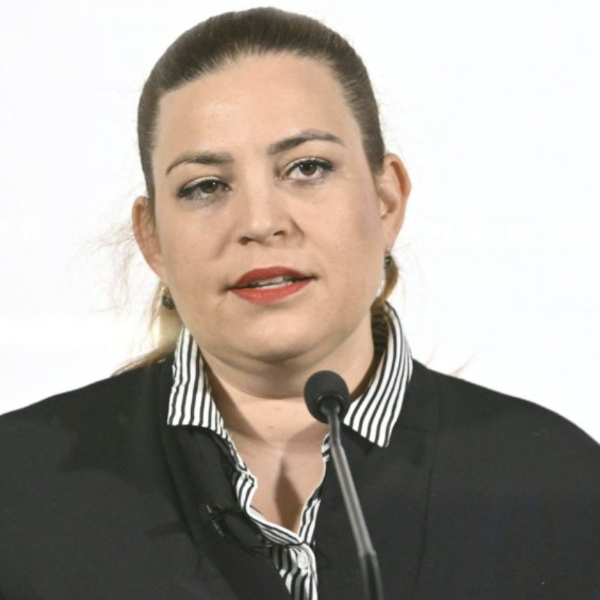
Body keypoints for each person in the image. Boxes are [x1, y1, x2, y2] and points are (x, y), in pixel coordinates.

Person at [0, 7, 599, 600]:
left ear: (386, 201)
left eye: (307, 168)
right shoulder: (18, 486)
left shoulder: (561, 486)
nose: (260, 222)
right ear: (152, 237)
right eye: (206, 186)